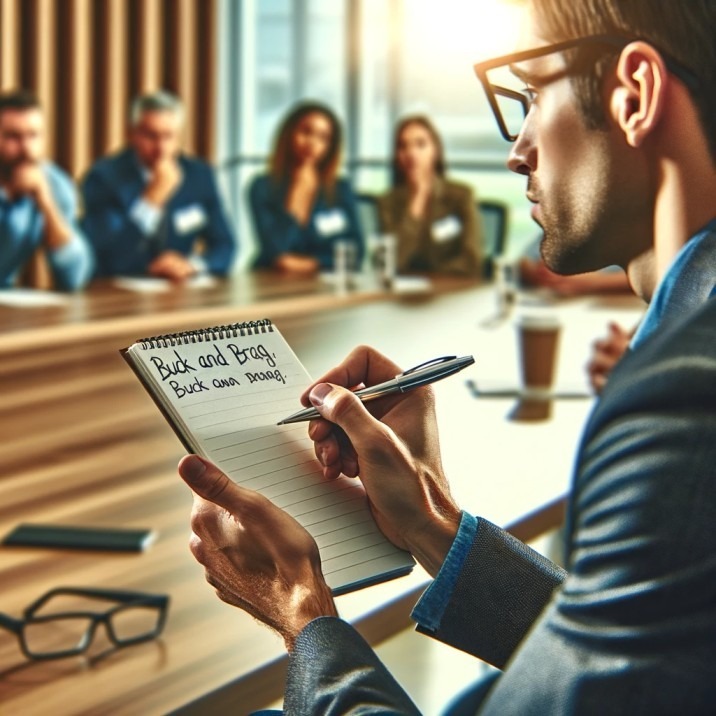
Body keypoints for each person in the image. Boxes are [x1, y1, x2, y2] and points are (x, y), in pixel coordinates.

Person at [178, 1, 716, 713]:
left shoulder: (680, 406)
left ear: (634, 95)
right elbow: (642, 676)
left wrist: (304, 616)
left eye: (528, 95)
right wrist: (432, 525)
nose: (516, 149)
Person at [81, 91, 237, 279]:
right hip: (119, 292)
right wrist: (151, 200)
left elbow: (226, 245)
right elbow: (111, 257)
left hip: (179, 291)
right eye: (151, 136)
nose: (161, 148)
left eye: (169, 136)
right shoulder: (104, 178)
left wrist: (192, 265)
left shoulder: (199, 176)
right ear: (132, 135)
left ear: (179, 138)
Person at [248, 101, 365, 274]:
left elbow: (356, 253)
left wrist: (313, 264)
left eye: (323, 138)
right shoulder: (262, 187)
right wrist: (297, 191)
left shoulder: (341, 189)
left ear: (330, 147)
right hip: (271, 282)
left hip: (326, 284)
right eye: (306, 132)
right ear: (289, 134)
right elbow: (276, 250)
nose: (312, 143)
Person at [0, 90, 93, 291]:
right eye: (13, 137)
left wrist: (45, 202)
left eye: (33, 136)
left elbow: (75, 276)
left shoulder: (54, 183)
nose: (26, 148)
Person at [377, 115, 483, 277]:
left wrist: (429, 278)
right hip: (402, 295)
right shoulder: (387, 202)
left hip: (451, 291)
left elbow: (471, 260)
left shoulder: (460, 196)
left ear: (435, 150)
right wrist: (416, 202)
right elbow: (390, 263)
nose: (411, 153)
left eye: (421, 144)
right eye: (403, 146)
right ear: (397, 156)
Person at [519, 233, 631, 296]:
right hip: (562, 307)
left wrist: (591, 282)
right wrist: (539, 273)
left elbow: (646, 277)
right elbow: (525, 262)